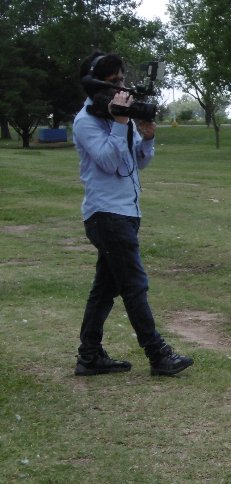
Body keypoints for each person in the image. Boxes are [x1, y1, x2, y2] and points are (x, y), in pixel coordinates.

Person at [73, 52, 194, 377]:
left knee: (105, 289)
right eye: (113, 83)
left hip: (125, 213)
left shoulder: (119, 118)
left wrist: (147, 139)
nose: (121, 88)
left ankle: (89, 355)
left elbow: (135, 163)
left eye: (122, 81)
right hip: (106, 215)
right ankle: (158, 355)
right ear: (95, 85)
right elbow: (109, 163)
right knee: (134, 285)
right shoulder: (86, 121)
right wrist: (120, 123)